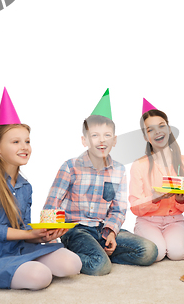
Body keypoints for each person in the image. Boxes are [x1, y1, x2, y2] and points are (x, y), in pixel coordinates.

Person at [0, 89, 81, 290]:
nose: (25, 146)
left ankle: (26, 266)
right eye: (16, 142)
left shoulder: (25, 186)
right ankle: (25, 269)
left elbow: (24, 226)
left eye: (27, 141)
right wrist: (30, 235)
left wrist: (43, 235)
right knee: (40, 277)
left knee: (72, 263)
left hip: (21, 247)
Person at [44, 92, 157, 275]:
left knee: (148, 251)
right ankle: (65, 255)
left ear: (114, 140)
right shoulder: (70, 167)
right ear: (85, 140)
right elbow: (51, 204)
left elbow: (118, 209)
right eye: (95, 135)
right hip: (75, 230)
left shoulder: (118, 170)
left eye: (107, 135)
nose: (102, 140)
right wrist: (50, 241)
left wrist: (111, 232)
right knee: (100, 266)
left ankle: (98, 252)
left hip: (102, 229)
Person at [129, 107, 184, 261]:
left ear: (169, 129)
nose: (158, 132)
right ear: (145, 136)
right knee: (157, 254)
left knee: (177, 254)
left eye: (161, 126)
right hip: (147, 221)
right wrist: (154, 199)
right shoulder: (139, 165)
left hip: (174, 220)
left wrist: (181, 199)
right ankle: (136, 235)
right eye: (150, 130)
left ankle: (179, 242)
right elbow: (134, 207)